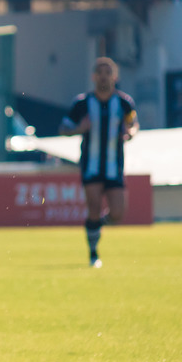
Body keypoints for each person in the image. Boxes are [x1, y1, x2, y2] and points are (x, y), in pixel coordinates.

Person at [58, 57, 139, 268]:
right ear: (94, 77)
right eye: (100, 72)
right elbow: (63, 127)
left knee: (118, 213)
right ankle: (93, 253)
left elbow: (133, 123)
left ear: (115, 77)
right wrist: (79, 129)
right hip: (91, 165)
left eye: (108, 72)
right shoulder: (82, 103)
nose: (104, 76)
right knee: (93, 206)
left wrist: (130, 132)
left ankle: (95, 225)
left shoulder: (124, 102)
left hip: (114, 166)